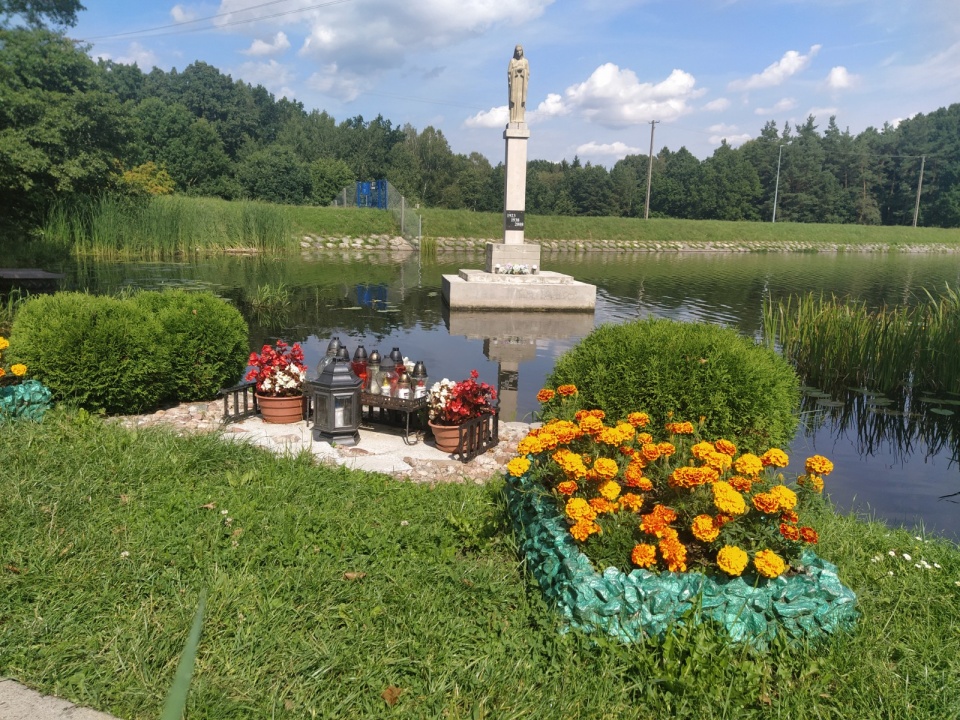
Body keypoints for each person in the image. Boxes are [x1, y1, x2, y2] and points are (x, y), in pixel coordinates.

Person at [508, 44, 529, 124]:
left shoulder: (525, 61)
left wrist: (523, 71)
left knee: (520, 100)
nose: (518, 52)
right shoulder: (512, 61)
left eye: (520, 51)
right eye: (517, 51)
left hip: (522, 84)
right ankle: (513, 118)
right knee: (514, 100)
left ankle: (520, 118)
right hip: (514, 84)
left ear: (522, 51)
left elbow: (528, 73)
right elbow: (509, 73)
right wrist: (516, 71)